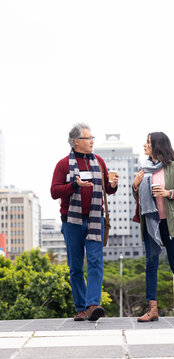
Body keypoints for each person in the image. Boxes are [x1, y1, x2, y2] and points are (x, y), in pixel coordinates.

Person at [51, 123, 118, 321]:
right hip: (72, 221)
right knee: (76, 266)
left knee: (96, 262)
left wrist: (112, 185)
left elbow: (107, 188)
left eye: (92, 138)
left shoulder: (99, 162)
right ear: (76, 142)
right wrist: (74, 185)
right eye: (88, 138)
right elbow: (54, 192)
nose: (92, 141)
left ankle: (92, 305)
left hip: (96, 218)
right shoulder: (63, 164)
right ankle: (81, 308)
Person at [132, 132, 174, 321]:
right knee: (151, 264)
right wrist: (135, 186)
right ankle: (152, 310)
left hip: (172, 223)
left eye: (148, 142)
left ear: (157, 145)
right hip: (151, 223)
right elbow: (140, 200)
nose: (144, 145)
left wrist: (168, 192)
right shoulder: (144, 169)